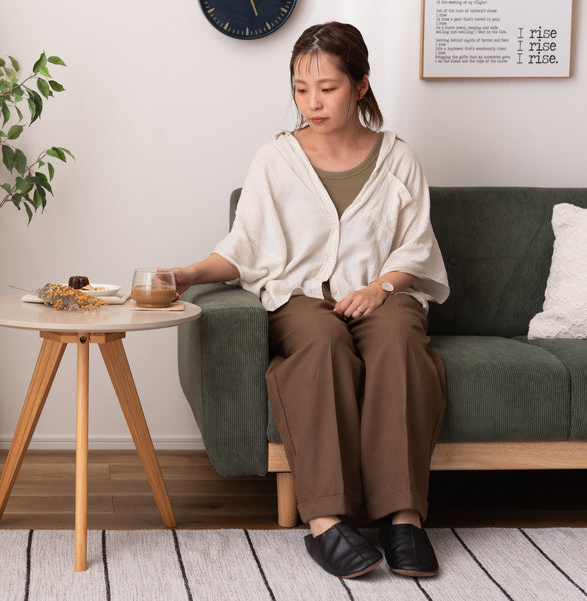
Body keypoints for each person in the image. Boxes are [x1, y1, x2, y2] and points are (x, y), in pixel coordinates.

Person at [171, 22, 449, 579]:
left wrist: (380, 288)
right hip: (298, 297)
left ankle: (403, 519)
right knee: (320, 341)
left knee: (398, 339)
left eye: (327, 87)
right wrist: (189, 272)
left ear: (361, 85)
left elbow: (415, 245)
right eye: (301, 88)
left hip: (383, 291)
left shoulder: (399, 160)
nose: (312, 102)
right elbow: (245, 246)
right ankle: (325, 522)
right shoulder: (276, 159)